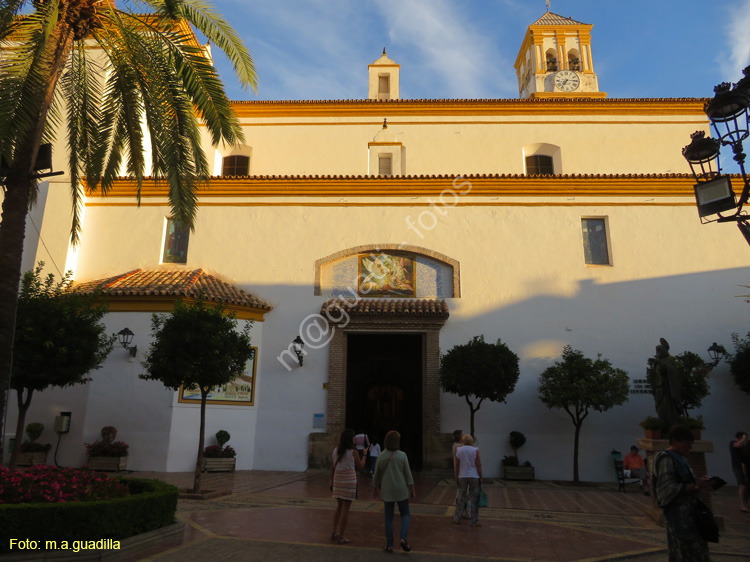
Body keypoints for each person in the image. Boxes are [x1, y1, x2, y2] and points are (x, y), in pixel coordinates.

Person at [653, 425, 714, 562]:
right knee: (684, 550)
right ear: (675, 441)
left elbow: (687, 481)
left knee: (696, 550)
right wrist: (696, 485)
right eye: (686, 443)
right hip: (678, 512)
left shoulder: (681, 458)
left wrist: (699, 482)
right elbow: (667, 488)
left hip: (691, 512)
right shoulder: (665, 458)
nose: (689, 447)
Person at [373, 430, 416, 553]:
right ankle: (403, 538)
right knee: (405, 514)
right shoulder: (402, 455)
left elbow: (376, 475)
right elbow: (408, 475)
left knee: (389, 517)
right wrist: (412, 490)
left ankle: (390, 544)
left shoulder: (381, 456)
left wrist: (375, 489)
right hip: (401, 489)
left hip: (387, 490)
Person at [330, 428, 367, 544]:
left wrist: (332, 481)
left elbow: (332, 467)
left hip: (338, 480)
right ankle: (341, 536)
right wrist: (365, 455)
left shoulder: (336, 450)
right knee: (346, 509)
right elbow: (360, 466)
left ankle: (334, 531)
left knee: (339, 506)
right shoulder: (353, 452)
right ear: (350, 439)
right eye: (353, 436)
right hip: (349, 481)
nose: (355, 438)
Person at [453, 433, 482, 527]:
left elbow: (457, 465)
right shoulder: (475, 450)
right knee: (474, 498)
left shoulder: (459, 450)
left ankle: (458, 518)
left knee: (461, 497)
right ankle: (474, 520)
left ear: (463, 441)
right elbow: (478, 465)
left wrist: (456, 476)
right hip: (474, 475)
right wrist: (481, 476)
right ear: (471, 441)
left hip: (462, 475)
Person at [451, 429, 470, 519]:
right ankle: (460, 512)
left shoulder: (457, 446)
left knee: (464, 493)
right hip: (461, 473)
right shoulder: (458, 446)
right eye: (462, 434)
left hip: (461, 472)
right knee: (462, 493)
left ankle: (463, 511)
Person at [730, 431, 749, 513]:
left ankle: (746, 504)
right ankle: (743, 505)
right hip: (737, 467)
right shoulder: (732, 442)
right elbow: (737, 445)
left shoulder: (741, 445)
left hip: (742, 467)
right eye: (744, 438)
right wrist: (744, 439)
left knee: (745, 485)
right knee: (743, 484)